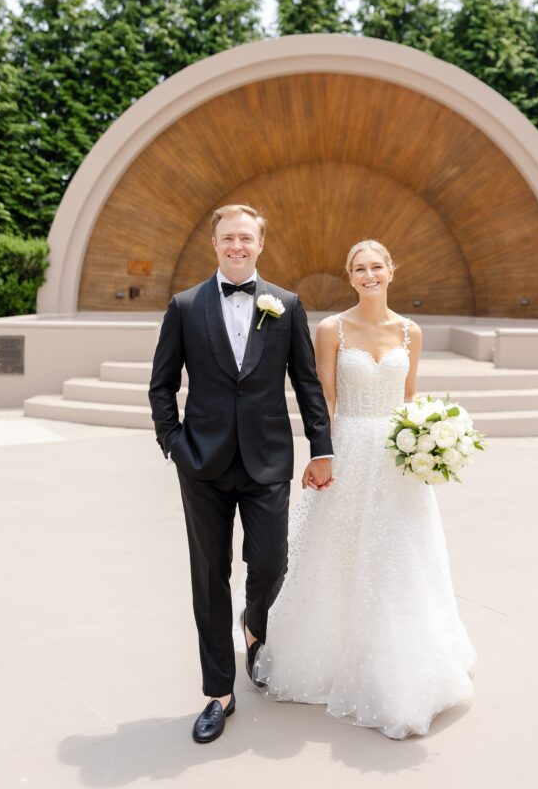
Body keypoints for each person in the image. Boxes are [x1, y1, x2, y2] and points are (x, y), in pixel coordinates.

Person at [251, 240, 477, 739]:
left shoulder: (410, 331)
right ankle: (331, 656)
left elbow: (411, 395)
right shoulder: (332, 329)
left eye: (377, 266)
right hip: (350, 447)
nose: (369, 275)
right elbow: (324, 396)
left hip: (399, 457)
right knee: (341, 554)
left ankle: (402, 664)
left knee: (401, 556)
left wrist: (426, 443)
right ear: (349, 276)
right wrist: (321, 453)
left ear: (392, 271)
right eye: (360, 268)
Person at [148, 204, 333, 744]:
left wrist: (321, 449)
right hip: (201, 463)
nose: (237, 246)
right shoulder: (184, 306)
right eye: (228, 237)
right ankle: (217, 693)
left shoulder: (287, 305)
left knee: (271, 560)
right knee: (208, 576)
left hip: (267, 461)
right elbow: (161, 385)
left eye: (246, 238)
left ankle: (254, 626)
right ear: (215, 243)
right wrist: (173, 443)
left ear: (259, 245)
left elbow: (307, 384)